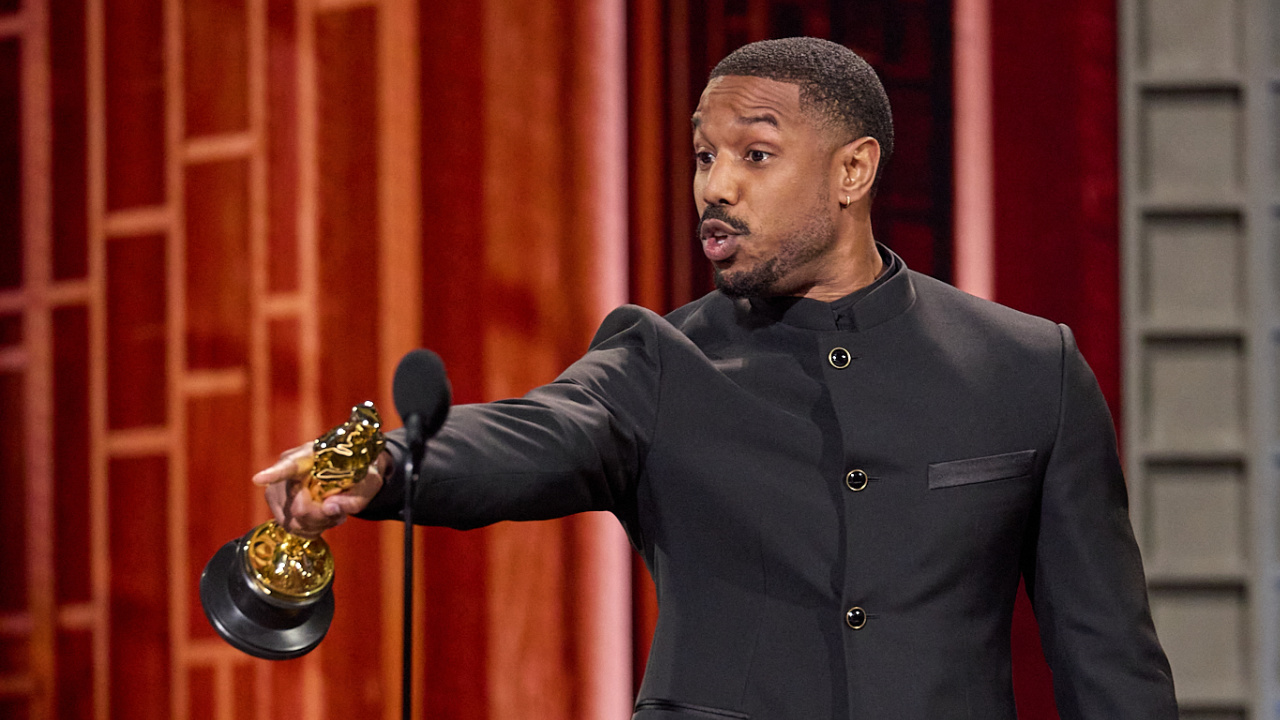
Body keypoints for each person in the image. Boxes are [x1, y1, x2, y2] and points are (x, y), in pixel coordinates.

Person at [255, 37, 1177, 719]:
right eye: (704, 156)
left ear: (853, 170)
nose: (714, 187)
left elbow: (1109, 661)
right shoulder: (661, 362)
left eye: (754, 155)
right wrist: (379, 464)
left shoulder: (1027, 369)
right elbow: (539, 432)